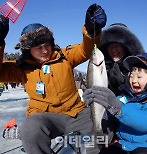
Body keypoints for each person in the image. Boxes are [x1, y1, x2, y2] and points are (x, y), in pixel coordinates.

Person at [0, 3, 107, 154]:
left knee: (103, 127)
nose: (44, 51)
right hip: (44, 117)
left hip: (76, 113)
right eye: (38, 47)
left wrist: (91, 31)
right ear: (27, 50)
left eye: (47, 45)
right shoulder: (20, 67)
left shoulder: (64, 56)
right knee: (30, 129)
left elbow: (86, 50)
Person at [83, 53, 147, 154]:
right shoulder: (124, 98)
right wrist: (94, 102)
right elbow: (106, 113)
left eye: (139, 77)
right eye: (131, 75)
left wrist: (120, 109)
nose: (133, 81)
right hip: (124, 145)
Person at [99, 23, 145, 96]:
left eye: (117, 45)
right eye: (110, 46)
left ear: (126, 47)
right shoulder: (101, 68)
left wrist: (124, 84)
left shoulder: (140, 67)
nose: (114, 50)